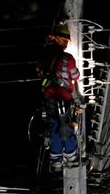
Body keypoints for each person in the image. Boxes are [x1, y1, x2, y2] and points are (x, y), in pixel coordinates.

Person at [35, 22, 82, 172]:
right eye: (65, 40)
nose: (66, 43)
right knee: (65, 126)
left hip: (49, 99)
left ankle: (56, 159)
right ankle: (71, 155)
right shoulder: (68, 58)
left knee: (54, 127)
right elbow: (76, 76)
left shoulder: (43, 57)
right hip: (64, 98)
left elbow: (39, 74)